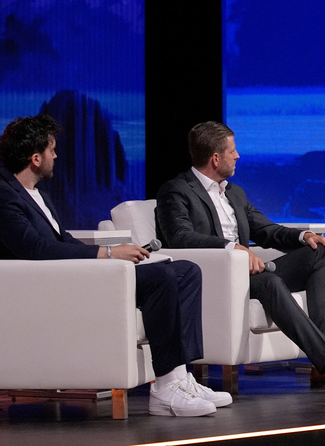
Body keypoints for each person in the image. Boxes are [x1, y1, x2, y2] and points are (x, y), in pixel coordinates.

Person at [0, 114, 232, 417]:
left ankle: (179, 377)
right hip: (51, 288)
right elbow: (36, 248)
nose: (55, 156)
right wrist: (108, 254)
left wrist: (113, 253)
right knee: (161, 276)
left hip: (74, 277)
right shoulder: (5, 195)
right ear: (35, 158)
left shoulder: (36, 193)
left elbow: (63, 240)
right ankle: (164, 390)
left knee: (185, 271)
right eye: (51, 150)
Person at [155, 121, 325, 395]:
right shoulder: (176, 190)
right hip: (216, 278)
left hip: (249, 273)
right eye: (232, 151)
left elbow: (265, 230)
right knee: (270, 282)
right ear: (216, 158)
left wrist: (305, 236)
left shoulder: (234, 193)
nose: (237, 156)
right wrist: (231, 248)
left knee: (322, 253)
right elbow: (180, 237)